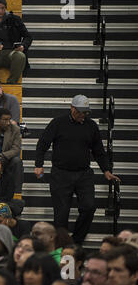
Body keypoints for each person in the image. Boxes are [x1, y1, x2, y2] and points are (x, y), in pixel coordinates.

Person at [35, 95, 121, 244]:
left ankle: (77, 240)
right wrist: (38, 164)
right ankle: (62, 244)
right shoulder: (58, 123)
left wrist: (106, 170)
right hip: (61, 174)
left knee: (89, 207)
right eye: (79, 111)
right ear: (72, 108)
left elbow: (98, 151)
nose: (82, 115)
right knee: (61, 214)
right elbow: (43, 143)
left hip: (83, 174)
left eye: (85, 112)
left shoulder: (91, 126)